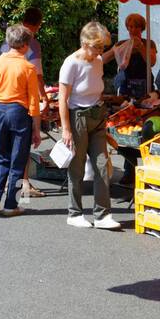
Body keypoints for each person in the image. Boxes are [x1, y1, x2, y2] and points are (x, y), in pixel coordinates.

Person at [58, 22, 121, 230]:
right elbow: (62, 99)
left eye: (102, 47)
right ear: (85, 43)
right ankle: (74, 213)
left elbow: (96, 88)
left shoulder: (98, 61)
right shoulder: (71, 63)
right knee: (76, 166)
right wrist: (66, 128)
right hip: (78, 117)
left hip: (97, 115)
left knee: (102, 165)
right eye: (98, 47)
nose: (100, 51)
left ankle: (102, 215)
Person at [0, 23, 42, 217]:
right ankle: (11, 204)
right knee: (18, 161)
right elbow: (34, 101)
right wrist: (36, 129)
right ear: (26, 45)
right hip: (19, 114)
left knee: (2, 157)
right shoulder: (28, 67)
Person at [5, 5, 50, 199]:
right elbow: (37, 74)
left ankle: (6, 188)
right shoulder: (31, 43)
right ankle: (23, 186)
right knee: (21, 145)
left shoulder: (8, 40)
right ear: (38, 25)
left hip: (2, 101)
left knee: (9, 146)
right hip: (22, 101)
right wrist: (44, 97)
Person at [103, 12, 158, 99]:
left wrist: (140, 46)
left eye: (136, 27)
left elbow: (152, 62)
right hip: (126, 88)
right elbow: (103, 59)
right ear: (127, 28)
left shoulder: (148, 43)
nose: (133, 30)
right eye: (131, 27)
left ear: (142, 28)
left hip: (145, 87)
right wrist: (115, 49)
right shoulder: (122, 44)